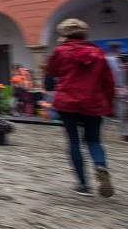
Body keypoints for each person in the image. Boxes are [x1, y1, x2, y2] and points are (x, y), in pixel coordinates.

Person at [48, 18, 115, 197]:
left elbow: (51, 72)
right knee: (94, 141)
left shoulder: (61, 51)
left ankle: (83, 185)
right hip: (93, 102)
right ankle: (100, 166)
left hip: (68, 102)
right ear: (84, 34)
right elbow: (108, 81)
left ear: (64, 34)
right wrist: (109, 105)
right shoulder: (98, 53)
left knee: (73, 141)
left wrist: (60, 48)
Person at [106, 42, 128, 144]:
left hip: (120, 90)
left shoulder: (120, 60)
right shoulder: (108, 59)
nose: (122, 50)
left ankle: (126, 134)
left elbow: (124, 76)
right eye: (120, 48)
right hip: (111, 89)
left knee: (124, 111)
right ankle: (125, 133)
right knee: (107, 112)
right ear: (117, 48)